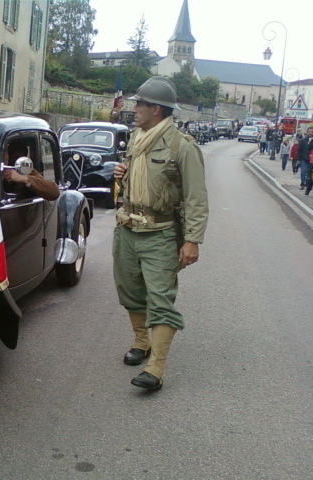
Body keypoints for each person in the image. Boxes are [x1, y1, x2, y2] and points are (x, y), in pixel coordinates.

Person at [112, 76, 209, 391]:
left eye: (139, 103)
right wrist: (122, 175)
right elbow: (137, 180)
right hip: (127, 227)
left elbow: (196, 197)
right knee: (129, 289)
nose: (134, 108)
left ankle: (156, 369)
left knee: (161, 298)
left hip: (160, 233)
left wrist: (192, 240)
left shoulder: (182, 145)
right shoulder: (136, 137)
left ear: (156, 109)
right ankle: (142, 341)